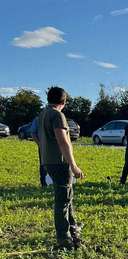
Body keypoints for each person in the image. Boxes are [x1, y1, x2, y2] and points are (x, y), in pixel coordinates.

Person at [35, 86, 85, 250]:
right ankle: (64, 239)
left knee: (66, 197)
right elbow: (63, 141)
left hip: (48, 161)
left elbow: (34, 135)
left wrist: (46, 148)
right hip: (60, 163)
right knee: (63, 200)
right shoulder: (57, 115)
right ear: (64, 101)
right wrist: (74, 165)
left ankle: (73, 228)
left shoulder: (42, 114)